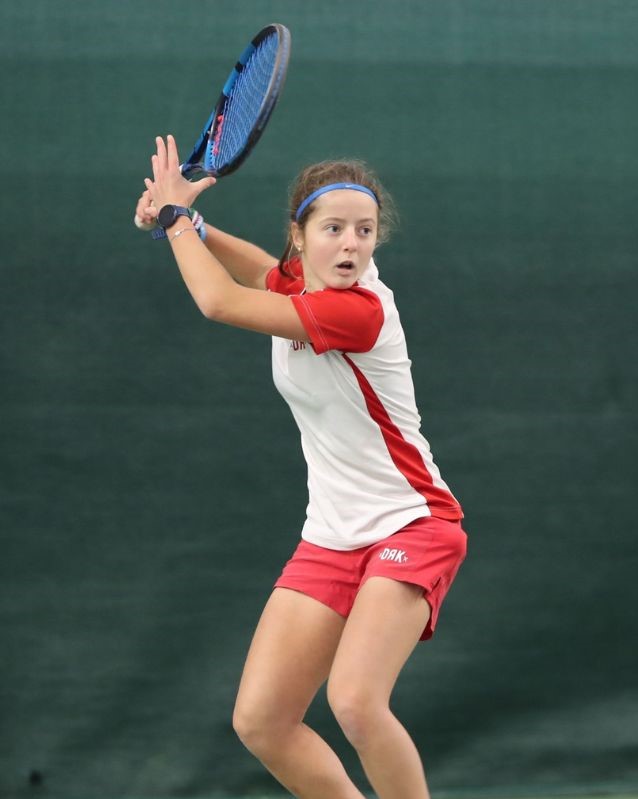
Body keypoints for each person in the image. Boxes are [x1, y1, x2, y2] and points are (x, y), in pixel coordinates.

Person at [136, 135, 467, 799]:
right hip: (332, 535)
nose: (351, 245)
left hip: (413, 523)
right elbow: (264, 271)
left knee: (355, 701)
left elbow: (220, 301)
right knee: (262, 721)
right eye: (333, 229)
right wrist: (195, 224)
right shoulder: (303, 283)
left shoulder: (358, 309)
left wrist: (173, 220)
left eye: (365, 230)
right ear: (301, 237)